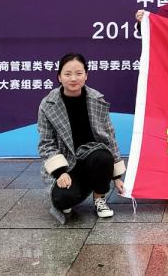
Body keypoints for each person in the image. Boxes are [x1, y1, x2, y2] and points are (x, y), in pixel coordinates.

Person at [38, 53, 126, 222]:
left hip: (93, 158)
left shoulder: (96, 99)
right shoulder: (48, 104)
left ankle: (99, 198)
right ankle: (77, 189)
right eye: (67, 74)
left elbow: (109, 137)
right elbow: (46, 143)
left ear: (86, 75)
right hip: (66, 163)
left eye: (79, 73)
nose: (73, 78)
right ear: (59, 77)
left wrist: (116, 177)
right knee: (63, 200)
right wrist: (60, 172)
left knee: (103, 156)